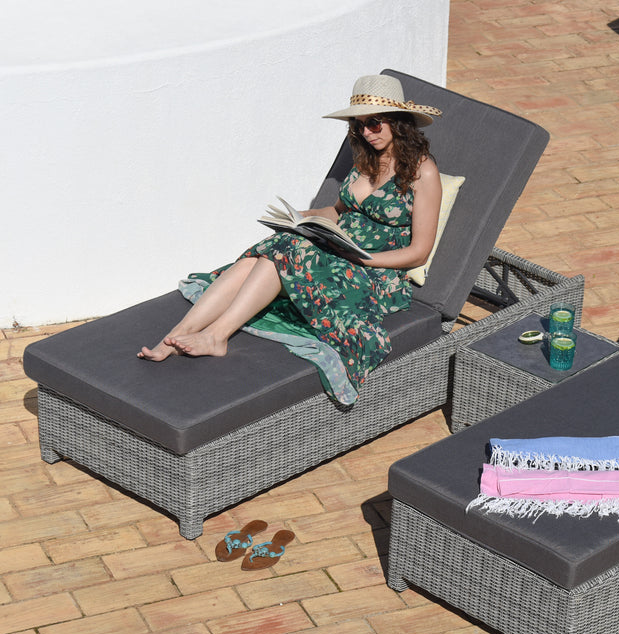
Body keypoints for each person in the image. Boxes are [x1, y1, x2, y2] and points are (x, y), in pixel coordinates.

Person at [138, 74, 442, 405]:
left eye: (375, 123)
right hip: (338, 252)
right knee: (272, 249)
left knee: (286, 252)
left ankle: (216, 335)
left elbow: (419, 252)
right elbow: (339, 211)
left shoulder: (422, 172)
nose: (366, 133)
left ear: (398, 122)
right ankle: (177, 334)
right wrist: (304, 217)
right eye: (359, 125)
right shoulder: (364, 159)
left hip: (375, 274)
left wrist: (365, 258)